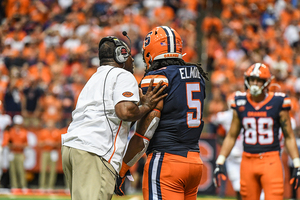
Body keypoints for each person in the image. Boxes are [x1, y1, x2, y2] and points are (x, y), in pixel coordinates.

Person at [61, 35, 167, 200]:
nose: (132, 59)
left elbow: (115, 116)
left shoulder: (93, 78)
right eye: (129, 55)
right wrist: (146, 106)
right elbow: (124, 112)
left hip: (72, 147)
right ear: (121, 55)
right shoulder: (122, 75)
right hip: (95, 150)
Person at [115, 26, 209, 200]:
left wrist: (122, 170)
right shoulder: (197, 75)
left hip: (167, 162)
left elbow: (145, 133)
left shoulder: (157, 77)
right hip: (194, 162)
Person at [213, 63, 300, 200]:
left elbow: (289, 136)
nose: (255, 83)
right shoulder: (240, 102)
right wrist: (220, 160)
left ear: (267, 82)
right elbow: (231, 135)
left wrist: (297, 163)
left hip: (271, 159)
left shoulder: (278, 102)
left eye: (259, 80)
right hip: (247, 160)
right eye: (252, 79)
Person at [210, 93, 243, 200]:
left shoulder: (225, 116)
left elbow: (213, 119)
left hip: (234, 151)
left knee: (239, 183)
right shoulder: (246, 113)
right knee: (238, 183)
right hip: (239, 150)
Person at [5, 115, 28, 193]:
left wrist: (19, 145)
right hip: (12, 153)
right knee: (13, 171)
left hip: (20, 153)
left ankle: (23, 186)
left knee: (21, 170)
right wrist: (13, 146)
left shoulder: (24, 131)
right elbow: (7, 143)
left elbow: (26, 144)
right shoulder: (10, 131)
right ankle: (14, 186)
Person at [38, 120, 61, 192]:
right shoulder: (43, 132)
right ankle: (42, 186)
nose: (50, 126)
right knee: (43, 169)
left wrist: (53, 144)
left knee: (53, 170)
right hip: (45, 152)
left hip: (53, 152)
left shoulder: (57, 132)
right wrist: (45, 143)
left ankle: (50, 186)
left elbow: (60, 143)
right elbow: (39, 143)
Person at [0, 101, 12, 184]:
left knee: (5, 164)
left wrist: (5, 143)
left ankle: (4, 183)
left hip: (4, 144)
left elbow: (7, 131)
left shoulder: (6, 118)